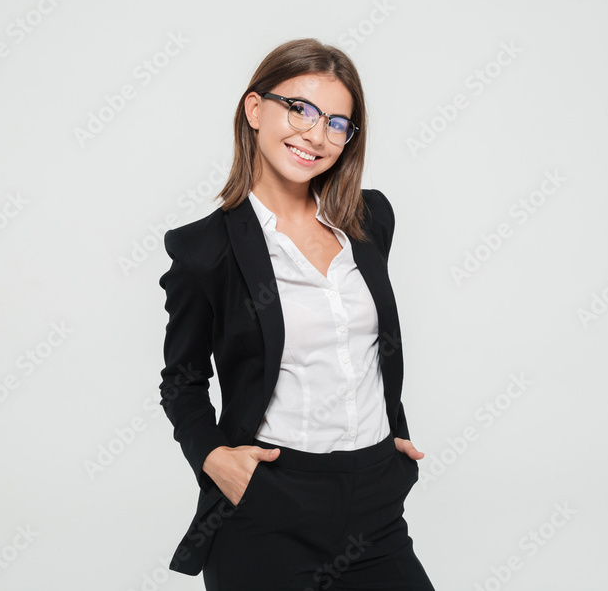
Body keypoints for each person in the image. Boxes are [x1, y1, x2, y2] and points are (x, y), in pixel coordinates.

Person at [158, 38, 435, 590]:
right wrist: (214, 458)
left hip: (376, 502)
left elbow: (362, 346)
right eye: (299, 109)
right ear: (255, 109)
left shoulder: (369, 219)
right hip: (270, 508)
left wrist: (391, 437)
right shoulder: (205, 250)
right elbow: (182, 379)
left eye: (337, 122)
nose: (315, 134)